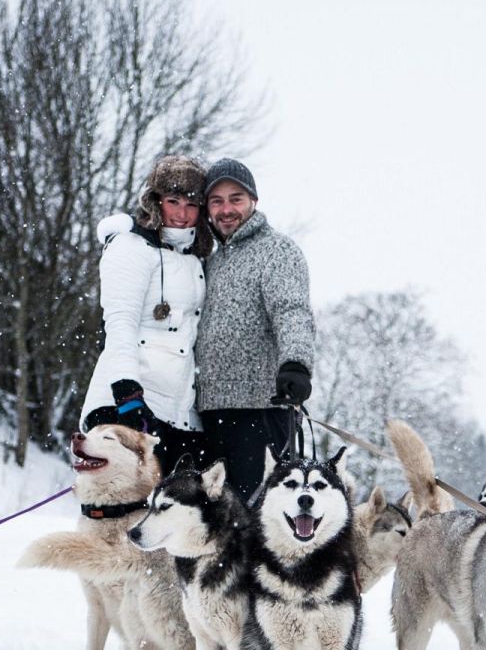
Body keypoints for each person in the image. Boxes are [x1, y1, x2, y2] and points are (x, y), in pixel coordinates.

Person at [80, 155, 212, 474]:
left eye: (192, 205)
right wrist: (128, 395)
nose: (182, 214)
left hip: (177, 410)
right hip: (128, 402)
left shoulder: (196, 260)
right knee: (118, 509)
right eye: (173, 201)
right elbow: (120, 323)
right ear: (155, 200)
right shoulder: (131, 247)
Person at [194, 158, 316, 501]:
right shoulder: (212, 261)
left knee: (257, 518)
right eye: (216, 201)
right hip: (211, 411)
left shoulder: (277, 250)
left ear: (253, 201)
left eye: (236, 198)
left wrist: (296, 364)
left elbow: (292, 311)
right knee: (217, 522)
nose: (226, 209)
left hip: (261, 411)